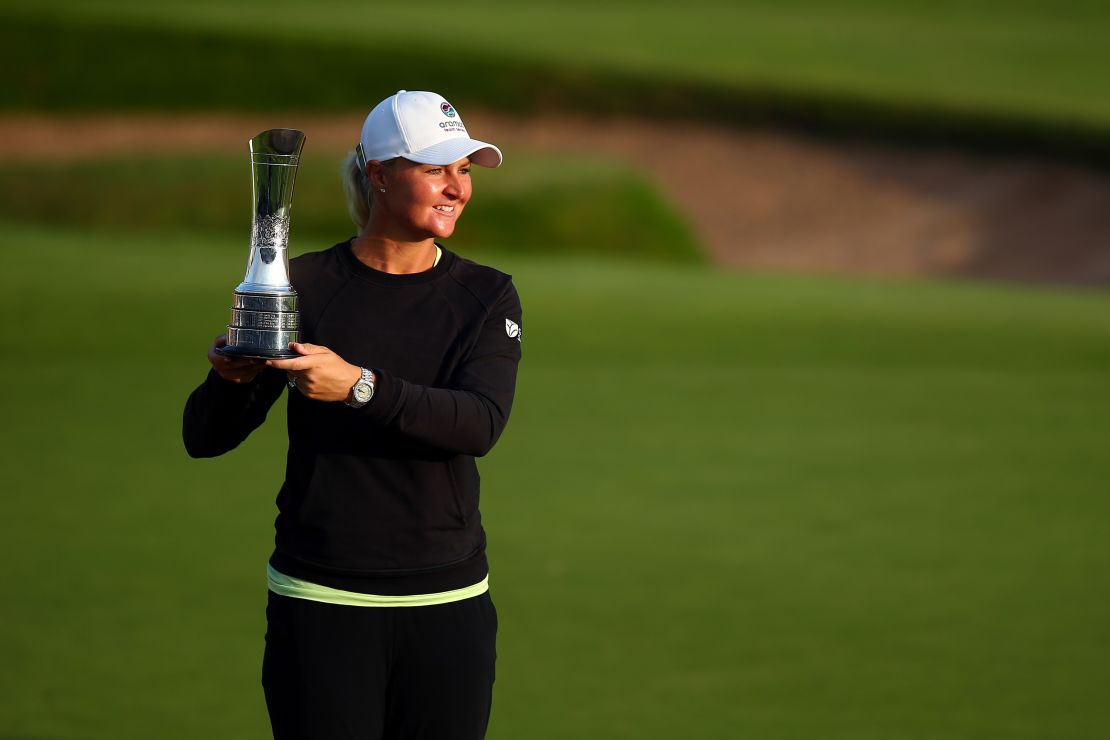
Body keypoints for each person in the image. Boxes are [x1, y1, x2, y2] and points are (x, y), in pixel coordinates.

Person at [182, 90, 522, 740]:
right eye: (437, 169)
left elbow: (479, 423)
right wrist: (230, 379)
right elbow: (205, 437)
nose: (456, 187)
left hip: (446, 607)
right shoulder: (303, 285)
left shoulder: (486, 294)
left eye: (466, 171)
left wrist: (359, 386)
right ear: (379, 174)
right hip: (321, 604)